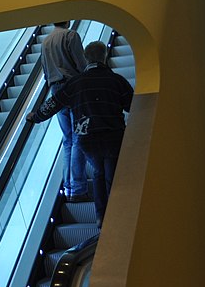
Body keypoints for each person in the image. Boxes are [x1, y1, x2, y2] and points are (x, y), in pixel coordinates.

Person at [27, 41, 134, 227]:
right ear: (105, 56)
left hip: (87, 140)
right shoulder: (117, 81)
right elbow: (132, 105)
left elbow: (54, 104)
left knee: (99, 172)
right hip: (113, 136)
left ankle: (101, 216)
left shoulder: (75, 83)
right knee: (113, 175)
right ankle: (118, 216)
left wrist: (35, 117)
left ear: (85, 58)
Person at [40, 21, 89, 202]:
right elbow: (82, 65)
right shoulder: (71, 35)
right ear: (67, 20)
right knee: (78, 137)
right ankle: (78, 188)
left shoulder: (45, 42)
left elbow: (45, 72)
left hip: (56, 90)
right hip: (74, 87)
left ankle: (68, 188)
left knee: (67, 139)